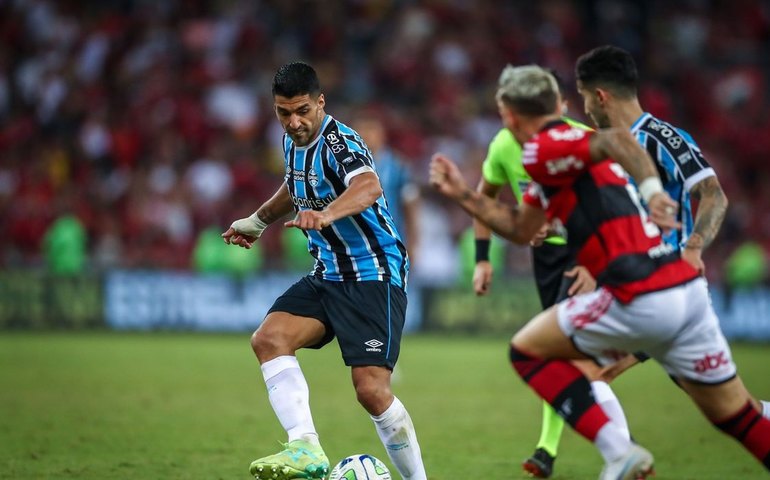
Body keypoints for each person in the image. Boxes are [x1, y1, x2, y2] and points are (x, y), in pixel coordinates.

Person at [429, 65, 770, 479]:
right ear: (557, 104)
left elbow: (617, 140)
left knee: (528, 351)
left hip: (638, 293)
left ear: (508, 116)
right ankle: (620, 453)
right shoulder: (554, 155)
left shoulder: (546, 147)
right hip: (686, 291)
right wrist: (463, 194)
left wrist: (652, 191)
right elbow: (523, 228)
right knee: (737, 417)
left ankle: (618, 451)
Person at [222, 62, 427, 480]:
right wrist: (258, 221)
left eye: (302, 110)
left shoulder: (340, 142)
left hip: (373, 274)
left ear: (320, 102)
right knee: (269, 338)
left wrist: (326, 214)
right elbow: (294, 184)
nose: (294, 122)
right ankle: (306, 447)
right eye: (283, 112)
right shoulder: (291, 141)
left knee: (371, 391)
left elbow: (369, 186)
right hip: (328, 274)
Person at [473, 73, 632, 478]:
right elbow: (484, 200)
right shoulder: (504, 147)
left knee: (558, 353)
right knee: (569, 357)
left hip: (586, 255)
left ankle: (551, 449)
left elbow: (612, 201)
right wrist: (483, 258)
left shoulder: (581, 139)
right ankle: (623, 453)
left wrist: (595, 263)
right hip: (546, 259)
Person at [352, 113, 421, 264]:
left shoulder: (398, 167)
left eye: (371, 130)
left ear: (382, 135)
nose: (366, 135)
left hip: (390, 243)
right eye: (361, 130)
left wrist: (413, 244)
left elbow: (410, 206)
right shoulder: (345, 165)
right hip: (356, 244)